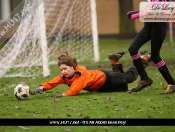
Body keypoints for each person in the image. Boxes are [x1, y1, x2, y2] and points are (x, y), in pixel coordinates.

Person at [30, 51, 150, 97]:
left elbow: (77, 87)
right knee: (123, 88)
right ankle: (114, 61)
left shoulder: (81, 71)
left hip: (105, 78)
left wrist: (65, 94)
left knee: (130, 77)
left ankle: (143, 58)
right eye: (61, 70)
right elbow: (53, 82)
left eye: (65, 69)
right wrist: (41, 88)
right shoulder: (64, 76)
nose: (63, 72)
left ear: (73, 67)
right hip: (101, 88)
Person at [126, 0, 175, 94]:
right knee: (133, 49)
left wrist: (137, 14)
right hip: (148, 25)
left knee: (155, 56)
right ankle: (145, 79)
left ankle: (172, 83)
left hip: (158, 25)